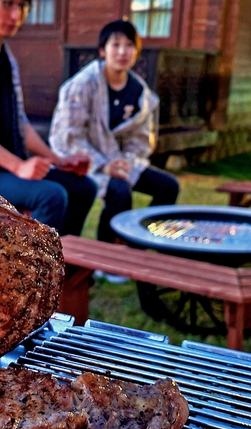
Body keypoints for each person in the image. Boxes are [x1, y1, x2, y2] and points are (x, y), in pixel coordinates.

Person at [0, 0, 98, 236]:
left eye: (23, 6)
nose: (16, 14)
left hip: (10, 167)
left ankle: (68, 264)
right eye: (8, 4)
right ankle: (33, 269)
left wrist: (58, 160)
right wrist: (19, 166)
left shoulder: (5, 56)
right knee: (51, 196)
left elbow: (19, 122)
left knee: (83, 187)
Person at [49, 20, 180, 280]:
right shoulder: (83, 85)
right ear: (102, 50)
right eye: (115, 45)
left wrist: (128, 162)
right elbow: (67, 135)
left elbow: (142, 139)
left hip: (123, 162)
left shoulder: (140, 93)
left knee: (168, 186)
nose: (122, 52)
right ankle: (105, 259)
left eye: (129, 45)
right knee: (118, 191)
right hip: (85, 161)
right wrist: (103, 164)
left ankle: (135, 247)